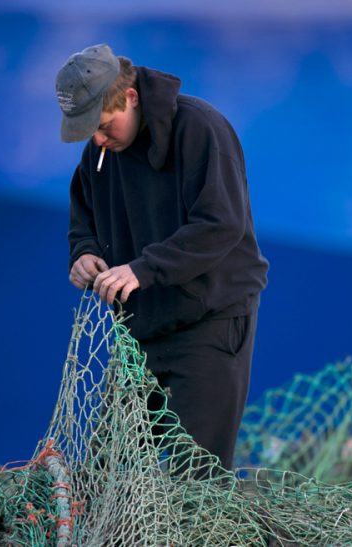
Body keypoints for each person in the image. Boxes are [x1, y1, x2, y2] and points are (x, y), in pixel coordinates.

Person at [58, 44, 268, 471]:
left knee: (197, 476)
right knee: (107, 472)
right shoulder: (99, 154)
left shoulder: (201, 128)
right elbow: (84, 216)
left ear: (131, 97)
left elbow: (220, 225)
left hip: (210, 319)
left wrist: (143, 269)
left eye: (103, 126)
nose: (97, 139)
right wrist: (84, 253)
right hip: (141, 330)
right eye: (88, 132)